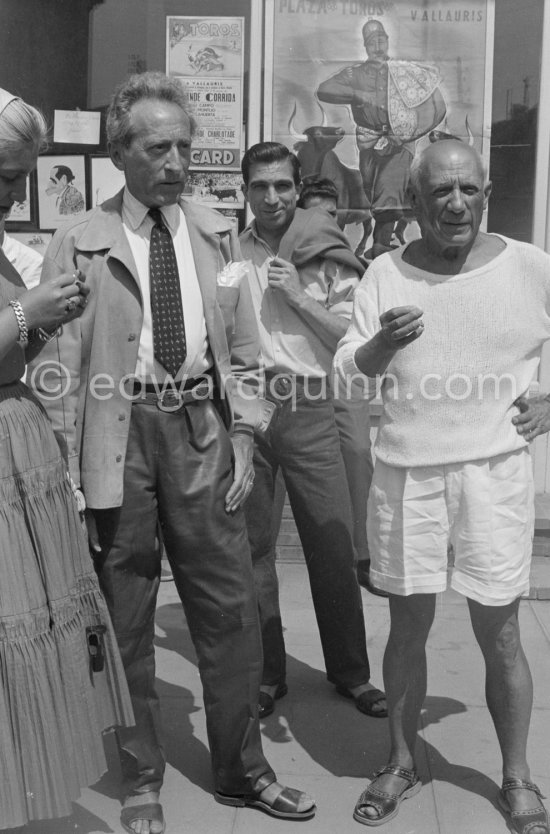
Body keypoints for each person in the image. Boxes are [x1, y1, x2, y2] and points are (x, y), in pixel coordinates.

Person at [30, 73, 314, 834]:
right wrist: (68, 476)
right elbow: (56, 368)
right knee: (124, 617)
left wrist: (245, 434)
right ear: (120, 153)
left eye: (185, 146)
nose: (177, 162)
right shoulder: (78, 239)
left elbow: (245, 352)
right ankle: (142, 777)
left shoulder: (217, 232)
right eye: (158, 148)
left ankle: (244, 770)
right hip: (115, 440)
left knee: (230, 609)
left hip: (201, 432)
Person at [334, 138, 550, 834]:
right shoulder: (384, 273)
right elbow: (346, 376)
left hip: (494, 473)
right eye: (439, 192)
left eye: (468, 190)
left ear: (486, 194)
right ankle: (400, 762)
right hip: (407, 474)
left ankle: (516, 775)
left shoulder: (530, 267)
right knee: (407, 628)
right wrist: (381, 345)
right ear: (414, 201)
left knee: (502, 633)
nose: (455, 205)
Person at [0, 86, 134, 830]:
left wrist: (45, 323)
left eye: (21, 178)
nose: (13, 195)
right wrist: (28, 313)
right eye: (3, 177)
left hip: (19, 455)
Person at [239, 141, 387, 721]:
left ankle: (351, 674)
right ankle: (266, 675)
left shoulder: (328, 254)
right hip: (249, 411)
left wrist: (296, 295)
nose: (271, 197)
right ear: (245, 191)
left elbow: (352, 341)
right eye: (260, 186)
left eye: (282, 185)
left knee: (331, 545)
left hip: (310, 404)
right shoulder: (230, 251)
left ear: (298, 189)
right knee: (253, 549)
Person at [296, 176, 386, 596]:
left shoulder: (348, 265)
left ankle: (366, 555)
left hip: (342, 377)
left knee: (356, 452)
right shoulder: (286, 259)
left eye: (331, 214)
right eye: (315, 214)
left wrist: (302, 302)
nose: (324, 222)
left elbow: (348, 334)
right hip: (295, 382)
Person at [317, 18, 446, 258]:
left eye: (381, 40)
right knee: (372, 193)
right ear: (365, 46)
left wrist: (409, 134)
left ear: (387, 41)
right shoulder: (355, 74)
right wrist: (358, 94)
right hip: (368, 144)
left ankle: (381, 248)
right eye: (371, 42)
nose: (377, 46)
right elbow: (323, 90)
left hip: (400, 144)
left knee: (388, 191)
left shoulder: (405, 72)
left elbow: (439, 107)